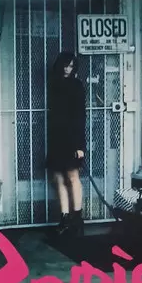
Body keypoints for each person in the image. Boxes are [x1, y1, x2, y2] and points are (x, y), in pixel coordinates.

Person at [46, 52, 87, 237]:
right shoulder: (54, 83)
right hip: (56, 136)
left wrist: (79, 145)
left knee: (72, 176)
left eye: (71, 66)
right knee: (58, 178)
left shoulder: (77, 86)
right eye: (65, 65)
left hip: (72, 136)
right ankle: (64, 218)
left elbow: (80, 116)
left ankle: (77, 218)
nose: (67, 69)